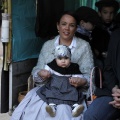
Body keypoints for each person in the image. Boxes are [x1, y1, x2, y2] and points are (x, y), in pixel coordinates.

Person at [11, 11, 94, 120]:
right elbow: (37, 70)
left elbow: (90, 76)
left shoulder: (83, 46)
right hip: (47, 90)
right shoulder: (48, 45)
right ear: (57, 26)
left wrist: (81, 81)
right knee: (35, 111)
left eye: (72, 25)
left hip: (71, 93)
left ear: (76, 28)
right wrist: (41, 73)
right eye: (64, 24)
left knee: (64, 111)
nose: (67, 28)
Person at [38, 45, 84, 117]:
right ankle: (52, 107)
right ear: (55, 59)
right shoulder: (52, 65)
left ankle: (75, 107)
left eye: (66, 58)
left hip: (68, 87)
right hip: (55, 86)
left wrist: (76, 79)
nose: (63, 61)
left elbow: (79, 76)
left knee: (73, 93)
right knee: (52, 93)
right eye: (60, 58)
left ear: (70, 58)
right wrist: (44, 73)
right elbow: (44, 71)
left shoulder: (74, 67)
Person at [84, 28, 120, 120]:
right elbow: (108, 68)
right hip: (114, 93)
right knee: (91, 115)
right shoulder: (116, 35)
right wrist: (114, 88)